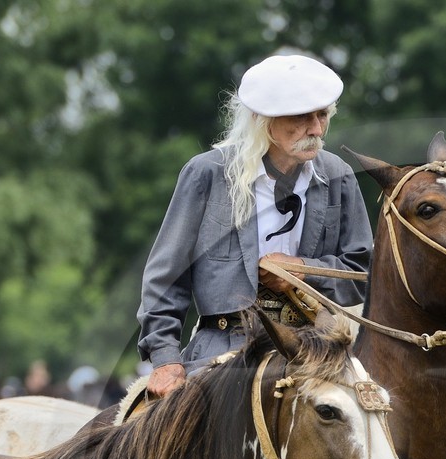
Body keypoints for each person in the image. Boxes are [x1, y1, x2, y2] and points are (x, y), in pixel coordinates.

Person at [138, 54, 373, 397]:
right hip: (222, 353)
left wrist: (304, 270)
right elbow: (166, 276)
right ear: (262, 120)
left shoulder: (338, 175)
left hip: (315, 350)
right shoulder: (206, 173)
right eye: (301, 117)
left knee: (372, 426)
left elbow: (362, 274)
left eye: (322, 115)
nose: (317, 129)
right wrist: (164, 359)